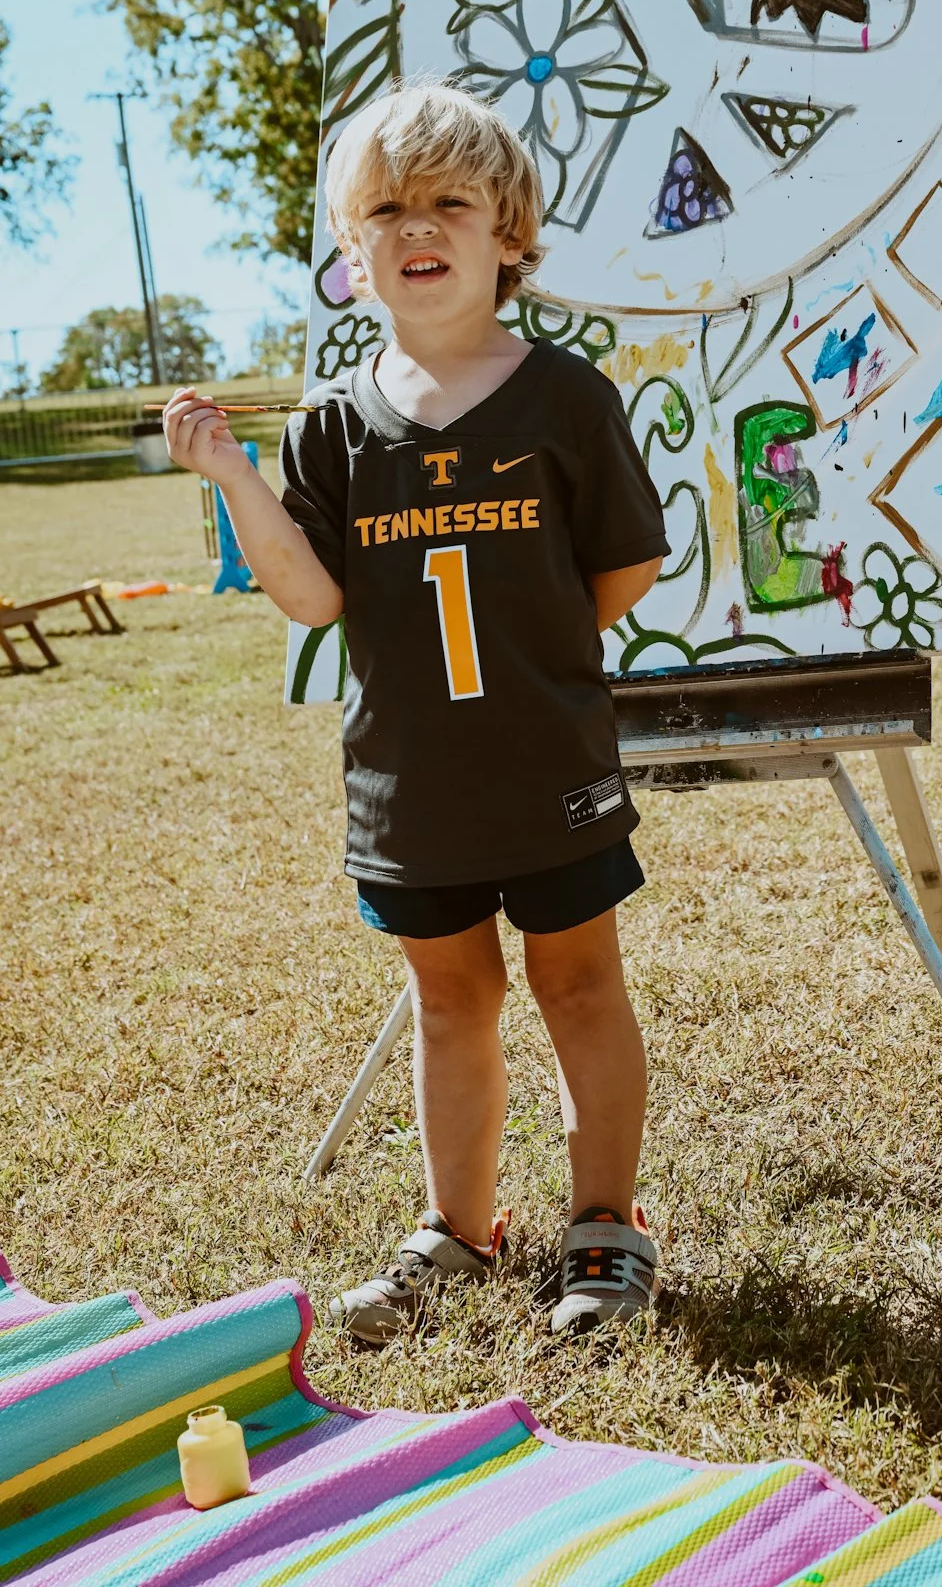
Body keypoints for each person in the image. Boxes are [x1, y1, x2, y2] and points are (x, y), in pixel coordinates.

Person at [163, 81, 670, 1344]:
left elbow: (624, 565)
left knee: (579, 984)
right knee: (451, 1001)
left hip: (546, 758)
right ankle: (458, 1226)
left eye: (450, 200)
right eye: (386, 207)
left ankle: (606, 1224)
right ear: (355, 249)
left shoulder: (564, 396)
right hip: (406, 778)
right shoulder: (336, 422)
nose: (417, 225)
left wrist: (537, 661)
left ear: (510, 234)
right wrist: (233, 474)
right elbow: (313, 596)